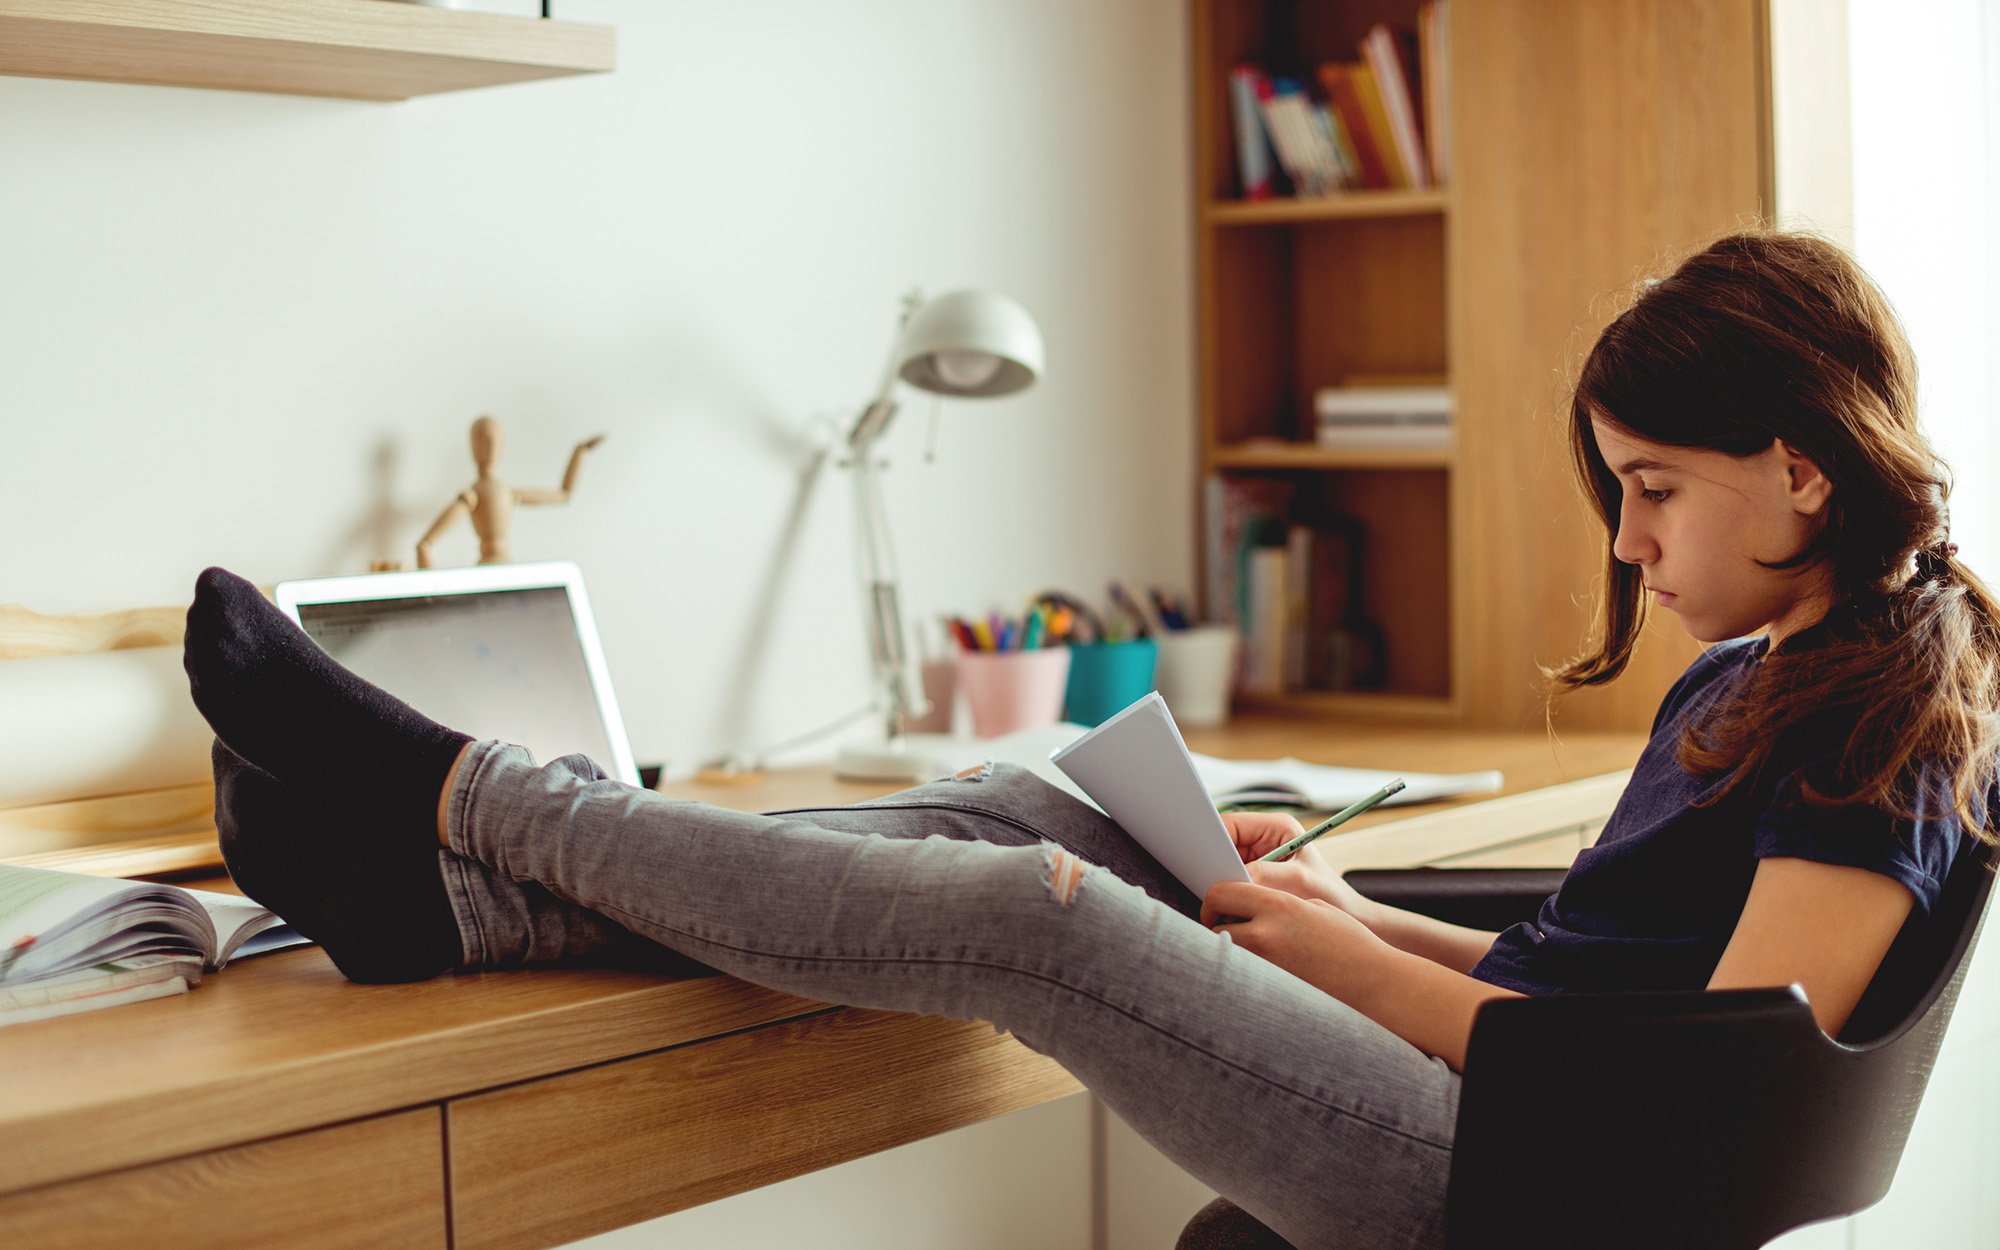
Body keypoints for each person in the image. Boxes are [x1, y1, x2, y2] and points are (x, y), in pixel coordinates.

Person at [183, 232, 1999, 1250]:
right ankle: (460, 905)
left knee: (1039, 909)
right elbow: (1589, 967)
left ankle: (447, 791)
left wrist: (1363, 970)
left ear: (1803, 465)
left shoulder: (1886, 742)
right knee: (1027, 807)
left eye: (1652, 491)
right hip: (1499, 1099)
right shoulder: (1761, 669)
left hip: (1520, 1189)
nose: (1625, 541)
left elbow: (1692, 1092)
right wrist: (1357, 922)